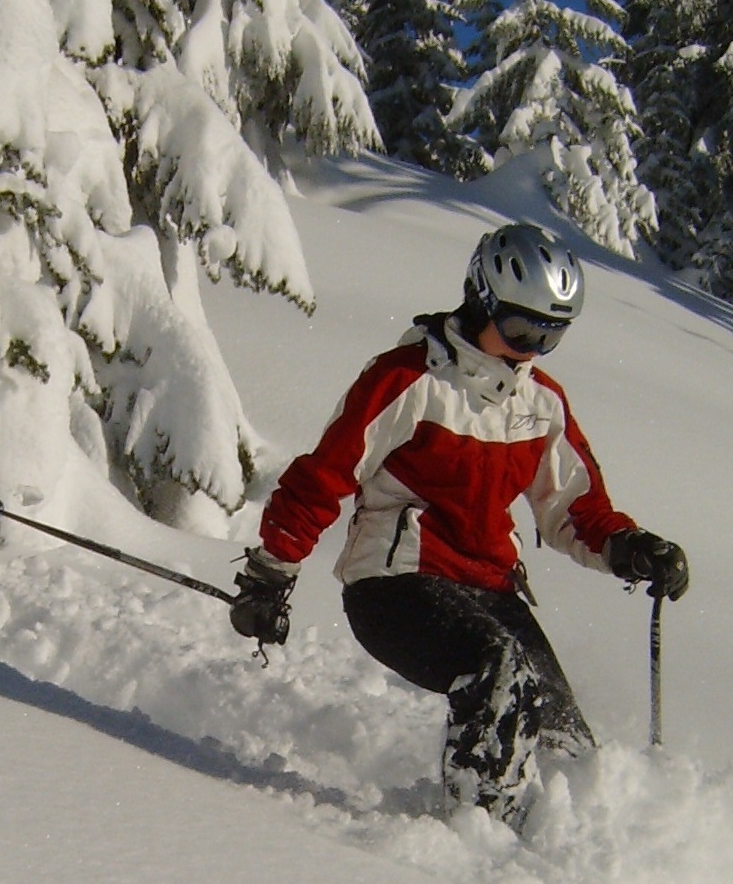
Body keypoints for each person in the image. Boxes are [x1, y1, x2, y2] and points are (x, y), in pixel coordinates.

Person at [230, 221, 689, 824]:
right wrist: (271, 572)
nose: (531, 351)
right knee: (498, 669)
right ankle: (478, 835)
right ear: (482, 302)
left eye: (551, 336)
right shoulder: (407, 381)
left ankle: (567, 848)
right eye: (522, 329)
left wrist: (629, 547)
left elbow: (574, 509)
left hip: (491, 588)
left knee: (565, 740)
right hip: (396, 582)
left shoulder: (539, 404)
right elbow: (324, 476)